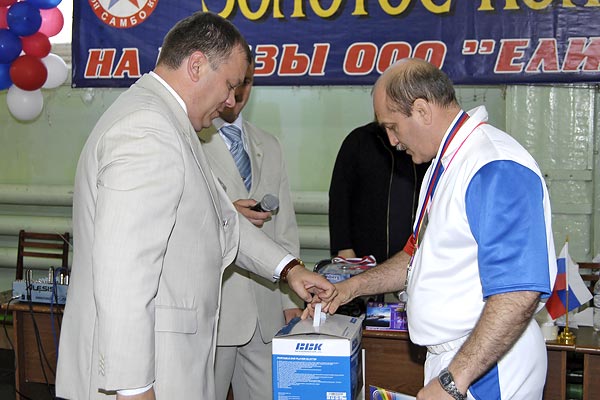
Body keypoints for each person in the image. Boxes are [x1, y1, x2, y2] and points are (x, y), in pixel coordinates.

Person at [55, 12, 335, 400]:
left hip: (170, 364)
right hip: (149, 375)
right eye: (230, 85)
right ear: (197, 65)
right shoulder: (147, 131)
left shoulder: (171, 124)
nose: (231, 100)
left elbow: (225, 220)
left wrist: (289, 269)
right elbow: (124, 272)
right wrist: (134, 388)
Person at [323, 58, 557, 399]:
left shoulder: (494, 165)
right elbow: (416, 257)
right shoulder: (444, 165)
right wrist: (352, 287)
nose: (391, 140)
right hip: (460, 360)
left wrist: (453, 381)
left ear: (421, 110)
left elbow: (519, 292)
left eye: (392, 126)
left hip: (488, 367)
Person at [198, 59, 303, 400]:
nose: (238, 93)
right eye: (232, 84)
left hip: (266, 312)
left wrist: (289, 297)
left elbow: (285, 227)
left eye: (245, 83)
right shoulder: (193, 140)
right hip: (215, 313)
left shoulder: (269, 145)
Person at [329, 121, 429, 263]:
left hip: (413, 254)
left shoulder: (420, 145)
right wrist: (343, 247)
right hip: (364, 255)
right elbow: (339, 197)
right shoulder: (360, 140)